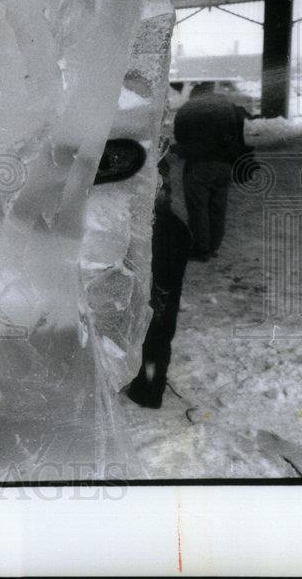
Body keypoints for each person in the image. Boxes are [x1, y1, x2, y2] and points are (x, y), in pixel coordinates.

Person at [125, 155, 193, 408]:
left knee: (155, 336)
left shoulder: (165, 228)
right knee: (156, 335)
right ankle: (148, 383)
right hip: (161, 292)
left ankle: (150, 388)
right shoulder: (172, 227)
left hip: (160, 291)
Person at [172, 81, 242, 260]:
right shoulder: (227, 108)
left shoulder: (189, 109)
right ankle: (214, 247)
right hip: (224, 165)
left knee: (198, 208)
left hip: (199, 165)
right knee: (218, 207)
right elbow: (236, 134)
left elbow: (180, 136)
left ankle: (201, 248)